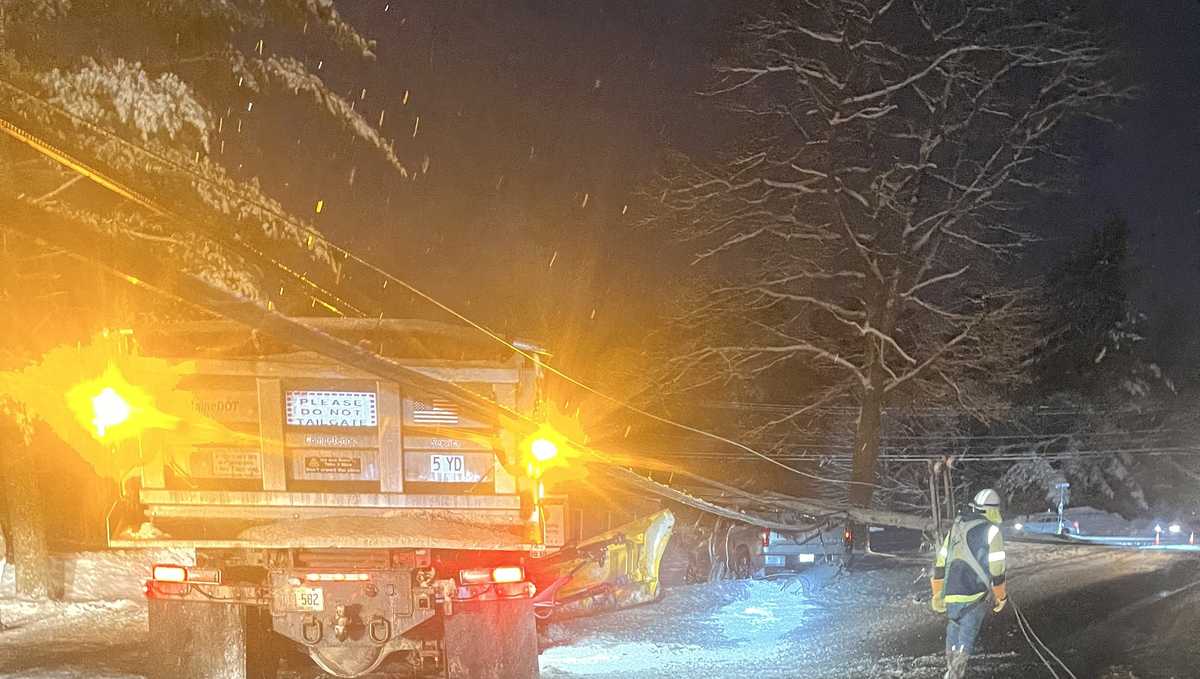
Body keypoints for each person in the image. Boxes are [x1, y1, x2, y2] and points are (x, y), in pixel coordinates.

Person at [930, 488, 1007, 679]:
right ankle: (955, 674)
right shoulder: (992, 531)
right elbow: (997, 569)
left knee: (954, 627)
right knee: (967, 635)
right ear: (992, 510)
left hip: (951, 593)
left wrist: (937, 594)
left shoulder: (956, 527)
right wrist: (1001, 596)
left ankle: (951, 670)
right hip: (974, 594)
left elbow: (941, 563)